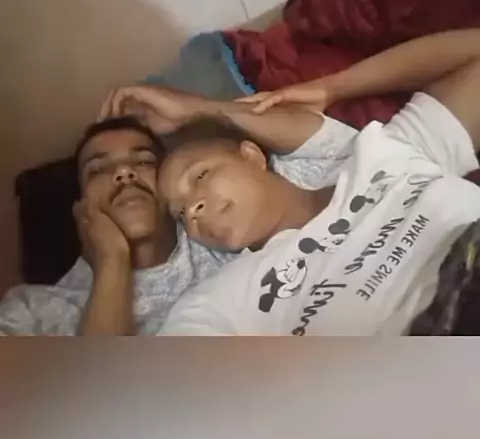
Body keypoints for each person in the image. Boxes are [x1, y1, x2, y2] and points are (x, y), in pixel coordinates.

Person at [145, 28, 480, 336]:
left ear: (252, 155)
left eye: (200, 176)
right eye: (180, 213)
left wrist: (332, 88)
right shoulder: (225, 300)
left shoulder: (384, 154)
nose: (193, 209)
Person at [0, 96, 356, 335]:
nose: (124, 173)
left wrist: (199, 109)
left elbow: (336, 152)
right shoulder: (32, 311)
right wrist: (112, 263)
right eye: (97, 170)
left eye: (143, 161)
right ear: (80, 206)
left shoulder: (223, 221)